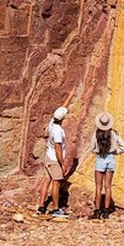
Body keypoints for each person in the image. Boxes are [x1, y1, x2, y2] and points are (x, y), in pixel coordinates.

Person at [37, 89, 74, 217]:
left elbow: (63, 107)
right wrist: (62, 164)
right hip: (54, 159)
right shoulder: (57, 131)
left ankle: (41, 206)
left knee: (46, 180)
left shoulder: (52, 122)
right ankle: (55, 208)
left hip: (48, 156)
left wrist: (71, 94)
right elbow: (58, 148)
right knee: (56, 183)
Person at [90, 111, 124, 219]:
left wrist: (98, 151)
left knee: (98, 187)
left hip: (100, 159)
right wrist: (116, 151)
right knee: (108, 187)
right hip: (111, 159)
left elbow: (92, 149)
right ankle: (106, 211)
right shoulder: (114, 133)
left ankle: (97, 211)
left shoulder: (96, 134)